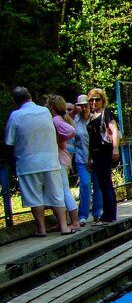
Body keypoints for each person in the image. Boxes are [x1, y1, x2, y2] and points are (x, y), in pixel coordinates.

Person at [4, 87, 71, 237]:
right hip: (51, 161)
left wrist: (12, 163)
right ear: (30, 96)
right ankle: (64, 226)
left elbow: (8, 142)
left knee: (34, 197)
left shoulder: (15, 116)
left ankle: (41, 229)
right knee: (56, 194)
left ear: (16, 101)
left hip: (28, 163)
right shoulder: (45, 112)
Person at [86, 87, 120, 224]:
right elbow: (90, 139)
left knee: (105, 184)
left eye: (97, 99)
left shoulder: (106, 113)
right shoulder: (91, 116)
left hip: (105, 152)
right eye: (91, 100)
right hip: (95, 154)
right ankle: (109, 215)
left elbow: (114, 131)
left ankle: (108, 215)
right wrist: (89, 158)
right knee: (101, 184)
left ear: (102, 100)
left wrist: (115, 148)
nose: (94, 102)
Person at [48, 95, 81, 232]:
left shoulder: (56, 119)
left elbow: (72, 131)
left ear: (52, 106)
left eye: (47, 103)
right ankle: (64, 221)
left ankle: (74, 221)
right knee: (60, 191)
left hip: (60, 159)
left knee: (64, 191)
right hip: (62, 159)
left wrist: (59, 141)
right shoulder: (62, 119)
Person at [72, 94, 100, 224]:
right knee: (85, 184)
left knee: (98, 186)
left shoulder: (96, 118)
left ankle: (97, 212)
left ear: (90, 106)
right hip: (81, 158)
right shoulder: (73, 121)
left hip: (97, 158)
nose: (84, 109)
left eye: (85, 106)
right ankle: (82, 215)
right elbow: (71, 141)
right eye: (81, 106)